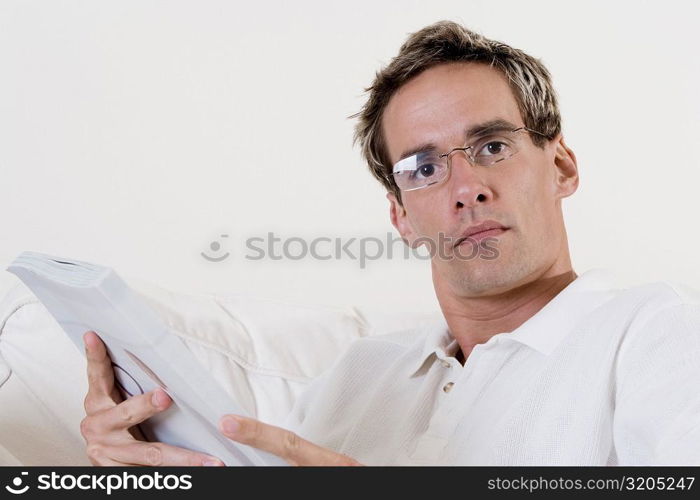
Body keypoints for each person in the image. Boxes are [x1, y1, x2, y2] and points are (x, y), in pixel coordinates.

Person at [80, 21, 700, 466]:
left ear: (561, 166)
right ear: (401, 217)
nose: (467, 188)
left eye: (492, 146)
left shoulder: (656, 328)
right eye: (424, 169)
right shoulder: (358, 374)